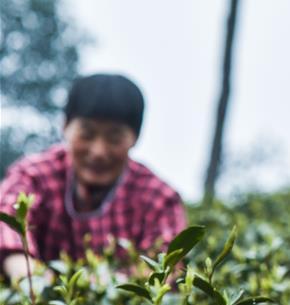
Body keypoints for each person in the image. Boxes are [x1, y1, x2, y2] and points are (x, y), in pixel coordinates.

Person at [0, 73, 186, 282]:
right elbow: (6, 219)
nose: (98, 151)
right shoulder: (35, 175)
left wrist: (96, 287)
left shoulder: (159, 199)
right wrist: (28, 275)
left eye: (114, 138)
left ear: (135, 138)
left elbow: (167, 265)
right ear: (65, 127)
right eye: (87, 134)